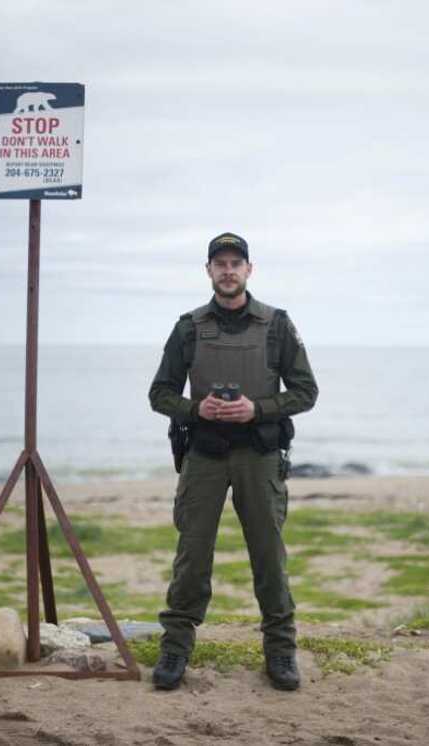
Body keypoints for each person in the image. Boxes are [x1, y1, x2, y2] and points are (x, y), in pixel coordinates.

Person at [147, 231, 318, 691]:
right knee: (191, 556)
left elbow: (306, 392)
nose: (227, 270)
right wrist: (194, 409)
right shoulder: (188, 326)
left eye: (235, 263)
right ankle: (175, 649)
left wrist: (256, 409)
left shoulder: (277, 325)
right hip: (203, 455)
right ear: (208, 271)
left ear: (249, 270)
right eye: (219, 263)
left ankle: (281, 651)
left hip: (259, 456)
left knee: (268, 557)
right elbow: (159, 394)